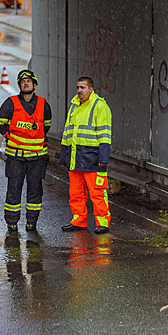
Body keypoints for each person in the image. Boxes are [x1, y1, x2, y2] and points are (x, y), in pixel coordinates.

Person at [0, 70, 52, 232]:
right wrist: (12, 138)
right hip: (16, 157)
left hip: (37, 158)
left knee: (35, 191)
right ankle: (12, 223)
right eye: (22, 81)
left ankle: (31, 222)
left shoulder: (43, 104)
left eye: (29, 81)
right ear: (19, 85)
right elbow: (0, 124)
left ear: (34, 85)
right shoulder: (10, 103)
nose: (25, 84)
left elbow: (46, 125)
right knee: (14, 190)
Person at [59, 76, 112, 234]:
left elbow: (104, 135)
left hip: (93, 158)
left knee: (97, 192)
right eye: (78, 87)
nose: (79, 91)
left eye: (82, 87)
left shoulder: (99, 106)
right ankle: (79, 220)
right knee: (76, 193)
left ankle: (102, 222)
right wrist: (64, 157)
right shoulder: (74, 106)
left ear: (91, 89)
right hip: (76, 158)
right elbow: (67, 133)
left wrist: (103, 158)